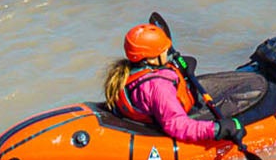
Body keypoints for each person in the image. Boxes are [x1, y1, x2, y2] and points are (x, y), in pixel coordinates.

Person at [101, 23, 244, 144]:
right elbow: (177, 125)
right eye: (163, 50)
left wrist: (177, 71)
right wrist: (218, 129)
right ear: (150, 59)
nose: (167, 53)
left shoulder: (126, 72)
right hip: (171, 123)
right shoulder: (159, 87)